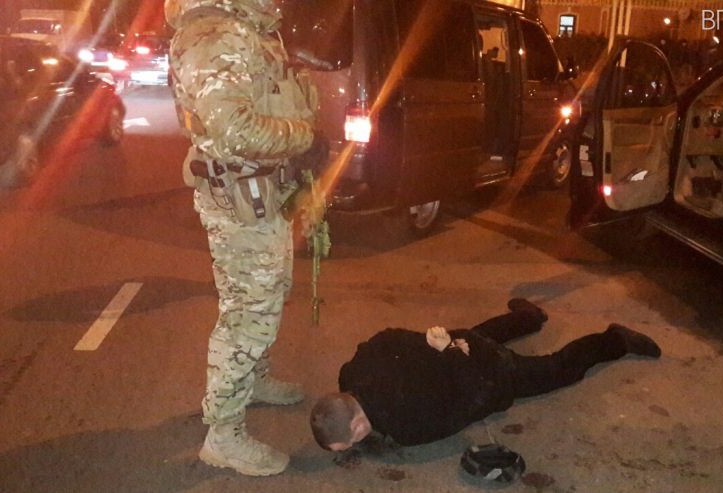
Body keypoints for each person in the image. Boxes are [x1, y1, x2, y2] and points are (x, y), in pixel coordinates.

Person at [165, 0, 320, 477]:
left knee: (269, 297)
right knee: (248, 317)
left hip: (263, 195)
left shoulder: (245, 28)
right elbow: (235, 130)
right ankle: (224, 435)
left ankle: (253, 379)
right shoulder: (215, 34)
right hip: (239, 200)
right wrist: (305, 137)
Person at [310, 300, 661, 450]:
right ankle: (528, 316)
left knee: (557, 369)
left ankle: (616, 340)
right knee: (480, 335)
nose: (353, 447)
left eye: (350, 442)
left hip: (484, 368)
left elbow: (471, 399)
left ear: (357, 425)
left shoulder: (405, 427)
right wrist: (438, 344)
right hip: (455, 341)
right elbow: (387, 337)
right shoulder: (351, 374)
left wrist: (455, 356)